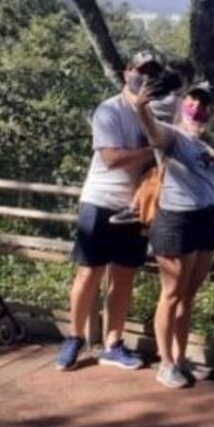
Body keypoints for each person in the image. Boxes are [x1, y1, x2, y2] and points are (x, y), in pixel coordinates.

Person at [55, 50, 164, 371]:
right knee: (89, 273)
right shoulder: (109, 110)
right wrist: (151, 150)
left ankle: (114, 343)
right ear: (125, 73)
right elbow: (111, 158)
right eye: (139, 70)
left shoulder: (155, 114)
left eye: (152, 73)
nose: (144, 78)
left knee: (124, 277)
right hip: (100, 203)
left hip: (136, 209)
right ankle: (74, 337)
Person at [133, 80, 214, 388]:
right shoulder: (173, 136)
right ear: (183, 108)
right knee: (171, 294)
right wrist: (141, 108)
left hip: (206, 219)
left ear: (212, 113)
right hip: (175, 222)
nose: (198, 111)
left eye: (204, 107)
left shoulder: (206, 140)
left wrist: (210, 139)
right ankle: (165, 363)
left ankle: (181, 358)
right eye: (193, 105)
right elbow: (153, 132)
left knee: (188, 296)